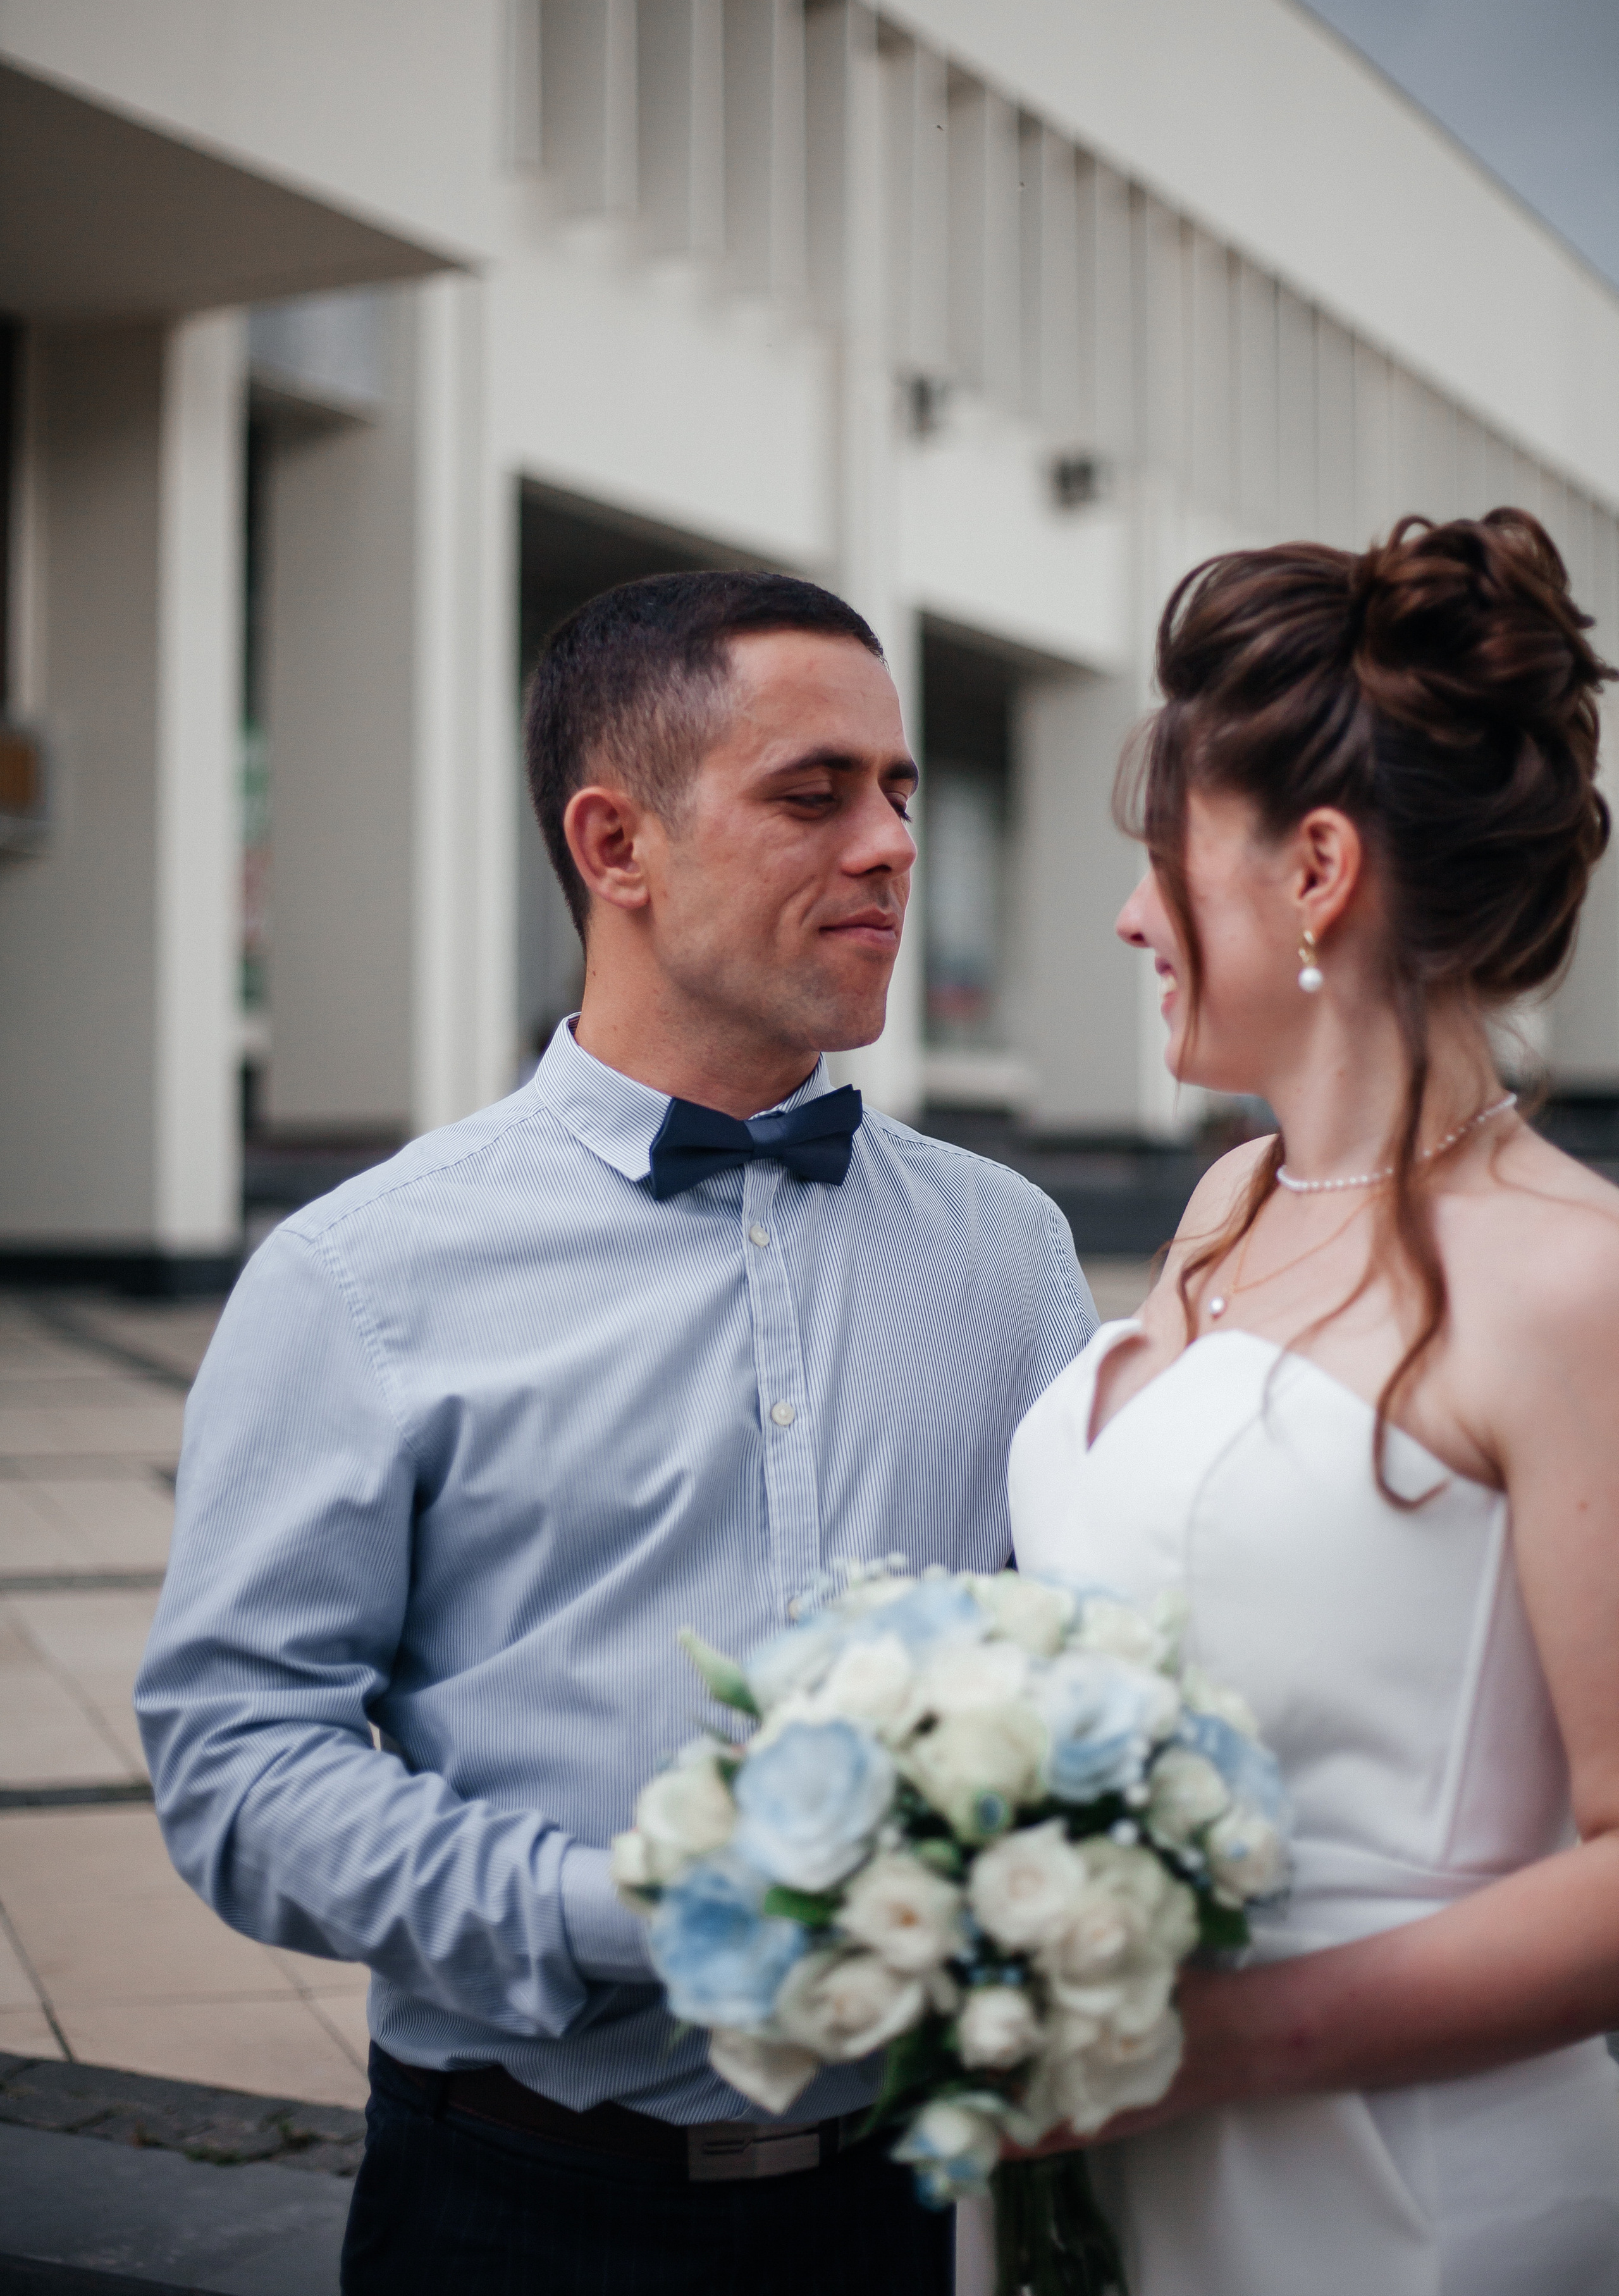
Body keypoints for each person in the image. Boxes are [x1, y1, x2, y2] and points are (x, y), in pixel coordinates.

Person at [135, 570, 1096, 2296]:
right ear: (616, 844)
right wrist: (621, 1914)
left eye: (899, 793)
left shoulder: (1010, 1253)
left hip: (915, 2209)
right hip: (518, 2209)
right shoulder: (362, 1275)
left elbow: (1079, 1672)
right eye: (814, 794)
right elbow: (235, 1763)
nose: (888, 844)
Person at [1008, 509, 1619, 2295]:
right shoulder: (1229, 1205)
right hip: (1129, 2186)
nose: (1132, 916)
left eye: (1160, 854)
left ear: (1318, 870)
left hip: (1403, 2201)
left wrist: (1210, 2048)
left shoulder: (1572, 1282)